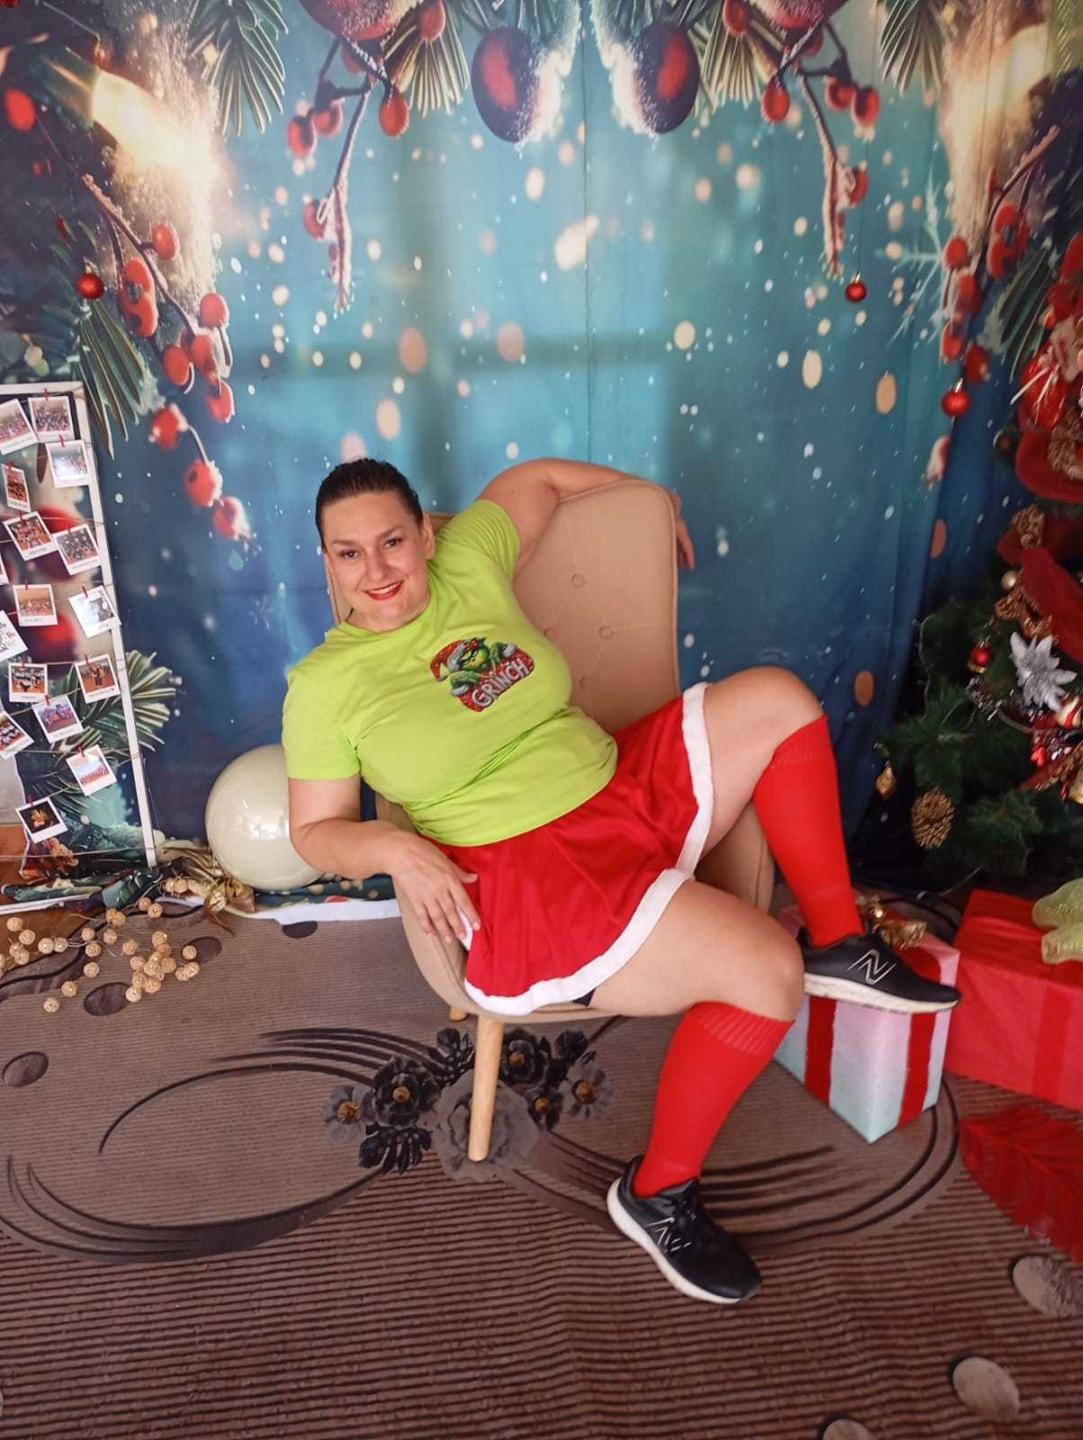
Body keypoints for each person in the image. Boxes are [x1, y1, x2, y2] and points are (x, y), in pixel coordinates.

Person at [283, 457, 960, 1307]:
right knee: (763, 972)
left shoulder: (468, 557)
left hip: (619, 783)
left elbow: (537, 480)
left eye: (391, 541)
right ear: (327, 561)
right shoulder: (324, 686)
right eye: (348, 553)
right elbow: (314, 832)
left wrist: (654, 496)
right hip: (533, 873)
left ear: (426, 534)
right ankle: (657, 1193)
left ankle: (840, 942)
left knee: (780, 701)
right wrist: (393, 847)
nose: (376, 571)